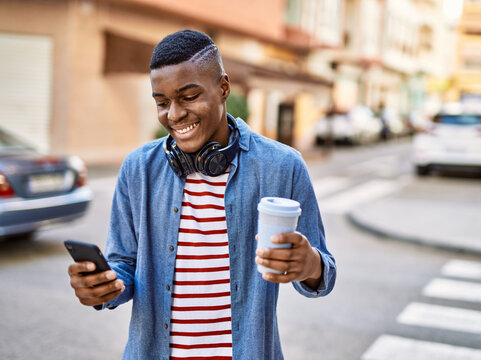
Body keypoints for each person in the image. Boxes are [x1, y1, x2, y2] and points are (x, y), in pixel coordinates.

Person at [67, 29, 336, 360]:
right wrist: (105, 287)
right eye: (162, 102)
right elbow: (123, 263)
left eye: (189, 97)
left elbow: (324, 272)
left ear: (223, 88)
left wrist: (309, 264)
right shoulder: (138, 169)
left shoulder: (282, 166)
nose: (174, 115)